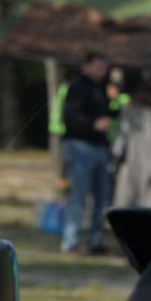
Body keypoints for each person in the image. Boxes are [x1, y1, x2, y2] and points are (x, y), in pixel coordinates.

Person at [60, 52, 115, 253]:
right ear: (87, 66)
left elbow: (111, 113)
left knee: (103, 196)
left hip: (101, 147)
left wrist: (113, 106)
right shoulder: (77, 87)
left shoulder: (103, 88)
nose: (103, 70)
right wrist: (93, 124)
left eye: (105, 66)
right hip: (80, 145)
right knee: (79, 194)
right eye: (99, 66)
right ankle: (70, 242)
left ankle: (95, 240)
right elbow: (70, 117)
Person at [113, 77, 151, 210]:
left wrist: (116, 160)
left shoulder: (128, 110)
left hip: (130, 165)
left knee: (128, 205)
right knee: (150, 206)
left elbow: (120, 140)